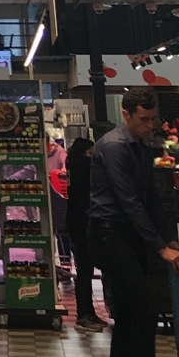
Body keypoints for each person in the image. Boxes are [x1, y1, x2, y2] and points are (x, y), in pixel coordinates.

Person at [91, 90, 179, 357]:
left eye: (152, 119)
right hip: (109, 235)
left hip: (127, 236)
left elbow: (151, 199)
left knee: (131, 322)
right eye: (143, 120)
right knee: (144, 314)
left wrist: (167, 239)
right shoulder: (115, 146)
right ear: (126, 114)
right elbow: (130, 202)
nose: (149, 126)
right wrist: (161, 249)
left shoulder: (140, 147)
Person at [66, 134, 104, 330]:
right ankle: (84, 314)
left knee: (85, 270)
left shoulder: (73, 166)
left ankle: (88, 313)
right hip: (82, 225)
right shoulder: (83, 166)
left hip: (77, 224)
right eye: (91, 153)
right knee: (84, 271)